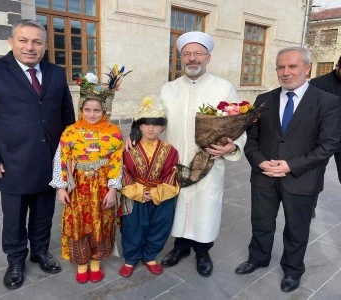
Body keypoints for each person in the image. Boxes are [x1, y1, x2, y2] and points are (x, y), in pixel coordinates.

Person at [126, 31, 246, 277]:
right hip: (174, 163)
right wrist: (134, 133)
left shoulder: (224, 88)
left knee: (206, 208)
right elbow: (153, 117)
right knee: (175, 206)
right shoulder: (168, 89)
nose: (193, 59)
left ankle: (203, 251)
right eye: (187, 54)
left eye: (198, 53)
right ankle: (180, 247)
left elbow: (239, 124)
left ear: (208, 57)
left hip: (209, 163)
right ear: (181, 58)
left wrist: (232, 147)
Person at [0, 19, 75, 289]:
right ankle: (16, 259)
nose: (30, 47)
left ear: (46, 45)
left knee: (43, 211)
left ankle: (40, 251)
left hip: (50, 159)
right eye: (23, 40)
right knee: (14, 216)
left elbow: (66, 115)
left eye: (37, 42)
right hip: (11, 160)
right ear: (11, 42)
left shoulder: (55, 72)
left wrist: (70, 153)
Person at [235, 47, 341, 293]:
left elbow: (328, 145)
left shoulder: (328, 102)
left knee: (297, 227)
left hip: (302, 179)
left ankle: (293, 270)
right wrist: (260, 161)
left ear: (307, 69)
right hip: (264, 176)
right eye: (280, 67)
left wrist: (291, 165)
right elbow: (251, 139)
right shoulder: (264, 100)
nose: (285, 72)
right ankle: (258, 258)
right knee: (261, 222)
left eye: (292, 66)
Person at [50, 73, 123, 284]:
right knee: (78, 223)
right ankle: (82, 264)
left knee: (102, 221)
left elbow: (117, 162)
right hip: (78, 186)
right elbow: (61, 159)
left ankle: (95, 263)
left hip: (102, 186)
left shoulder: (114, 133)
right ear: (80, 109)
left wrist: (112, 189)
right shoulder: (70, 132)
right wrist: (61, 187)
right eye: (87, 109)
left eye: (97, 110)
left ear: (104, 110)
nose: (91, 114)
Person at [118, 98, 180, 278]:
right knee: (132, 228)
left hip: (160, 196)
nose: (150, 128)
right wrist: (138, 192)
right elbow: (123, 170)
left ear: (162, 127)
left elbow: (173, 172)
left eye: (155, 125)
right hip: (134, 195)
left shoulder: (170, 150)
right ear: (139, 126)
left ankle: (150, 256)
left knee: (159, 227)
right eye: (146, 124)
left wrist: (154, 193)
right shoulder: (128, 149)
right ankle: (130, 259)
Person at [310, 55, 341, 216]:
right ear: (337, 66)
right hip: (321, 139)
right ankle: (309, 207)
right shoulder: (318, 84)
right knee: (313, 176)